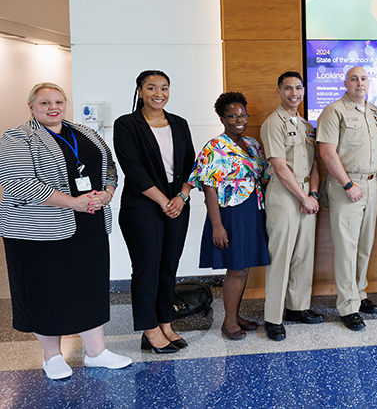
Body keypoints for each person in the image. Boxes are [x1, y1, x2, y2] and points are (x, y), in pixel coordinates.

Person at [0, 83, 131, 380]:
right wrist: (73, 202)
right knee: (46, 291)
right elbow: (18, 183)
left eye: (58, 101)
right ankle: (52, 356)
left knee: (90, 286)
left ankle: (96, 352)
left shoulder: (85, 133)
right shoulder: (16, 138)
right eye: (44, 103)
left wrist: (106, 194)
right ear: (31, 107)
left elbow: (109, 168)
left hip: (89, 222)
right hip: (37, 230)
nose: (52, 107)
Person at [113, 70, 195, 353]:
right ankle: (149, 330)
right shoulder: (126, 124)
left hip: (178, 204)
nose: (158, 93)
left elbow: (191, 165)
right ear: (139, 90)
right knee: (147, 269)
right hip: (143, 207)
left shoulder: (179, 123)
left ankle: (165, 323)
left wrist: (182, 197)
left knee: (168, 267)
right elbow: (133, 170)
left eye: (164, 87)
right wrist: (164, 201)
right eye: (151, 87)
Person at [189, 92, 270, 340]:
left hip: (253, 210)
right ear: (222, 119)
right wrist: (217, 226)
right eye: (232, 115)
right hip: (230, 213)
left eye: (242, 114)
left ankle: (235, 315)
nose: (239, 119)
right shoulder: (214, 147)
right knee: (236, 268)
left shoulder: (253, 144)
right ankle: (228, 321)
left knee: (243, 268)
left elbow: (264, 176)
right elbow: (208, 187)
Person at [317, 66, 377, 331]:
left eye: (364, 78)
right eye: (354, 79)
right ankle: (347, 306)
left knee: (364, 244)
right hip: (347, 185)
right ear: (345, 83)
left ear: (369, 83)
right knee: (346, 248)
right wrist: (347, 184)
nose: (360, 83)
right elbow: (326, 152)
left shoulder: (375, 112)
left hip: (372, 183)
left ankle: (359, 293)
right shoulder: (334, 111)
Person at [261, 72, 323, 342]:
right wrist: (303, 197)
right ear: (279, 91)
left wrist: (314, 194)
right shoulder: (273, 123)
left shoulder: (308, 125)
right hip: (285, 194)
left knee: (303, 254)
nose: (294, 93)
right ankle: (273, 317)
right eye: (288, 88)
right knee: (281, 256)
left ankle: (298, 307)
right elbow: (279, 167)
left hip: (307, 194)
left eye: (298, 87)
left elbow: (314, 165)